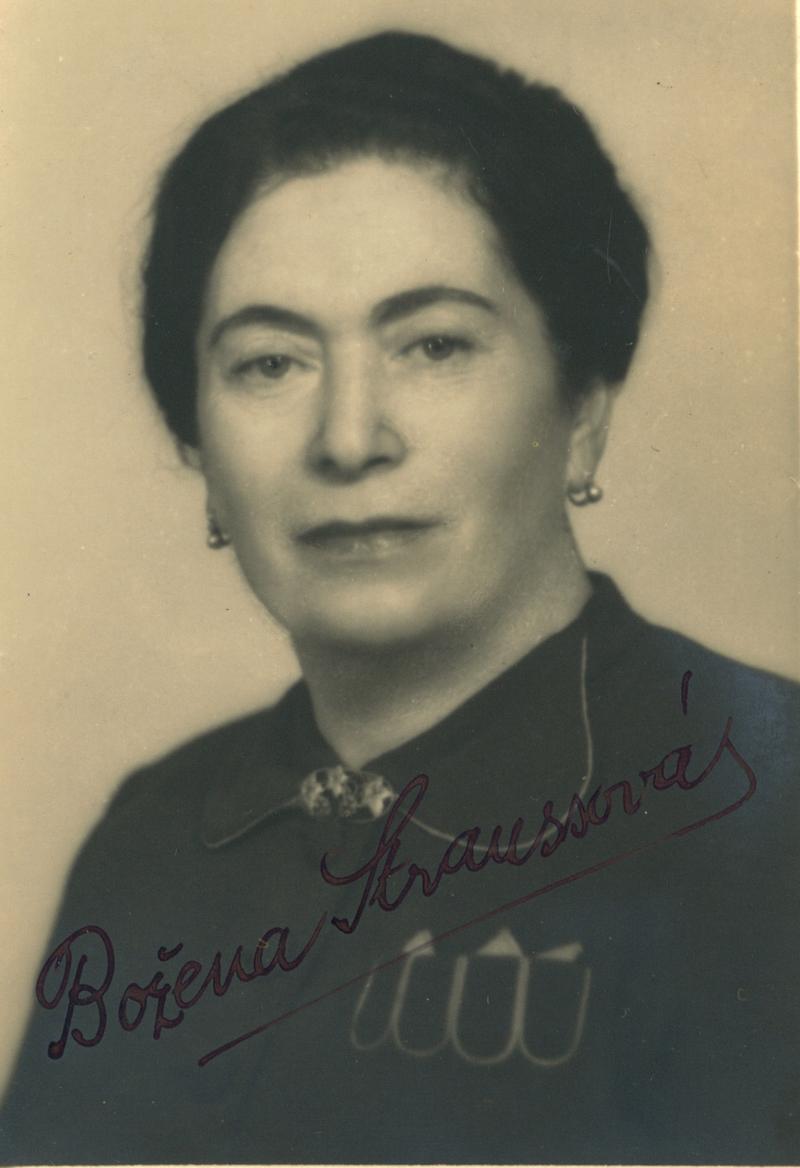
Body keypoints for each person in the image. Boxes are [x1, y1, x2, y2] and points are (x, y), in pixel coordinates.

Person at [2, 29, 797, 1166]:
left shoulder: (763, 807)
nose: (348, 437)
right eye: (270, 362)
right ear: (196, 443)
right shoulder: (156, 835)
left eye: (433, 346)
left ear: (580, 406)